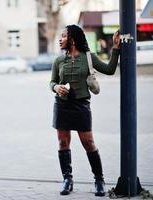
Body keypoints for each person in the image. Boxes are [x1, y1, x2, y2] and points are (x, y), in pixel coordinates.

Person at [50, 25, 120, 196]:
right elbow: (51, 82)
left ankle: (99, 180)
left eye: (64, 36)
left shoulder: (89, 58)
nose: (61, 39)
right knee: (63, 143)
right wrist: (56, 87)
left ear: (72, 39)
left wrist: (116, 48)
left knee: (88, 143)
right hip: (62, 105)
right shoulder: (59, 60)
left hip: (81, 105)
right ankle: (67, 179)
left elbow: (110, 70)